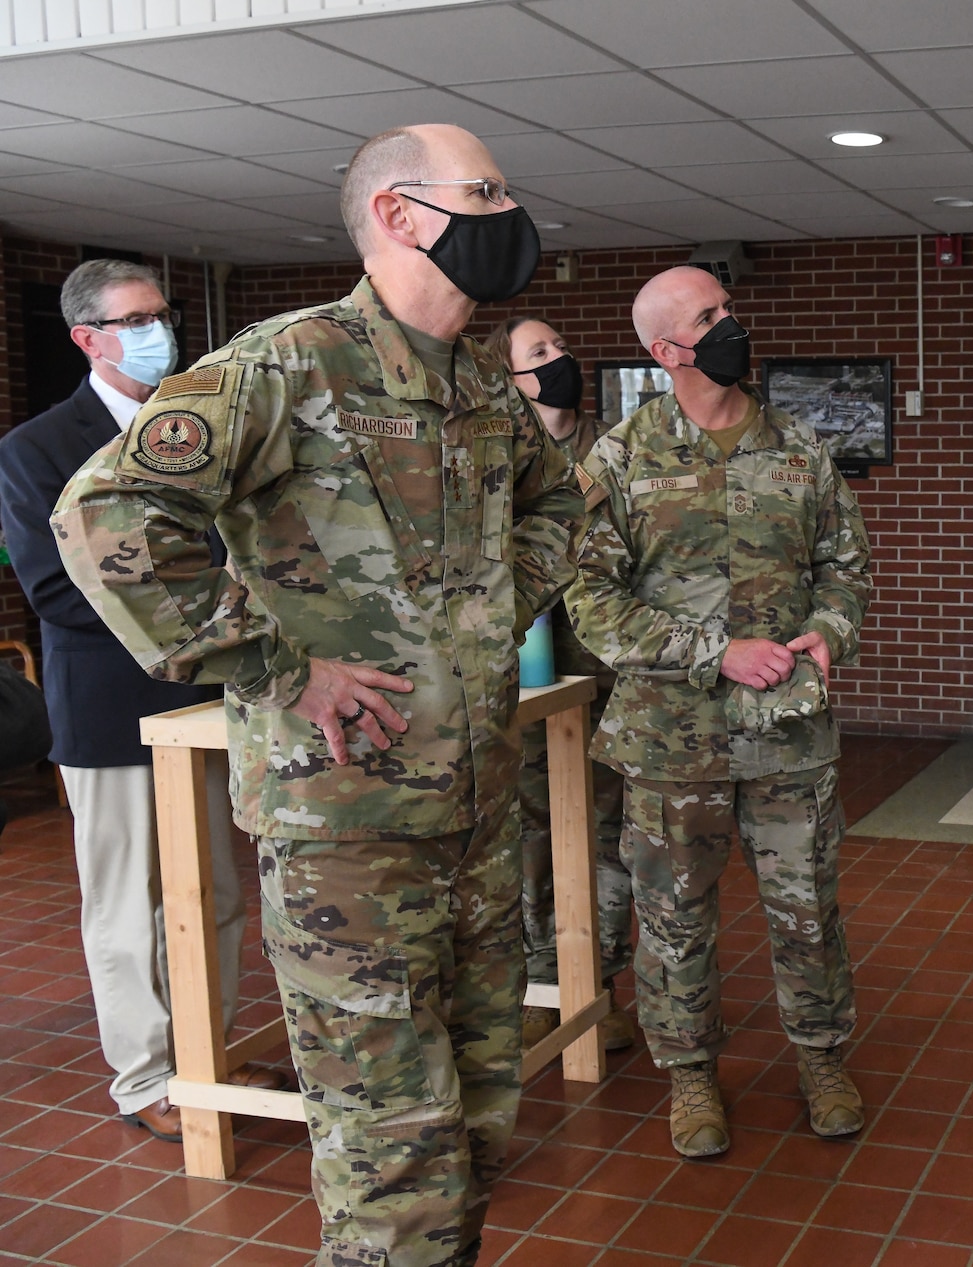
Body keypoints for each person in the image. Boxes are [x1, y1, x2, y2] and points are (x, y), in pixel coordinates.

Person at [54, 125, 584, 1267]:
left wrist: (489, 612)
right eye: (485, 192)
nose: (512, 215)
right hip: (350, 828)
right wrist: (278, 666)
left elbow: (559, 506)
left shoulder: (481, 381)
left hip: (484, 818)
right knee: (392, 1155)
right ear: (400, 214)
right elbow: (106, 517)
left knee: (481, 1122)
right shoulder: (286, 365)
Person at [567, 265, 871, 1158]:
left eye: (730, 309)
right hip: (671, 742)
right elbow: (590, 600)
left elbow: (845, 566)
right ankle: (691, 1075)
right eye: (711, 317)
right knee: (674, 915)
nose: (733, 325)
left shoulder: (801, 450)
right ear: (667, 350)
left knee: (807, 907)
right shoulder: (619, 460)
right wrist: (715, 651)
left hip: (788, 735)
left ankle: (821, 1056)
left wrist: (825, 629)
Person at [0, 259, 288, 1143]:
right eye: (133, 319)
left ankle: (209, 1052)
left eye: (160, 313)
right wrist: (201, 616)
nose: (156, 330)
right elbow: (54, 587)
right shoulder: (38, 448)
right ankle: (146, 1075)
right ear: (87, 338)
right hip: (110, 709)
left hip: (207, 701)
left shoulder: (197, 428)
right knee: (132, 908)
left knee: (213, 897)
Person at [484, 315, 637, 1052]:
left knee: (609, 835)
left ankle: (599, 983)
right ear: (510, 379)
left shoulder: (618, 447)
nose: (560, 359)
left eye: (562, 346)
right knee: (533, 832)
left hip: (609, 675)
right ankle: (542, 984)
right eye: (539, 354)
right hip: (530, 676)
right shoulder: (495, 455)